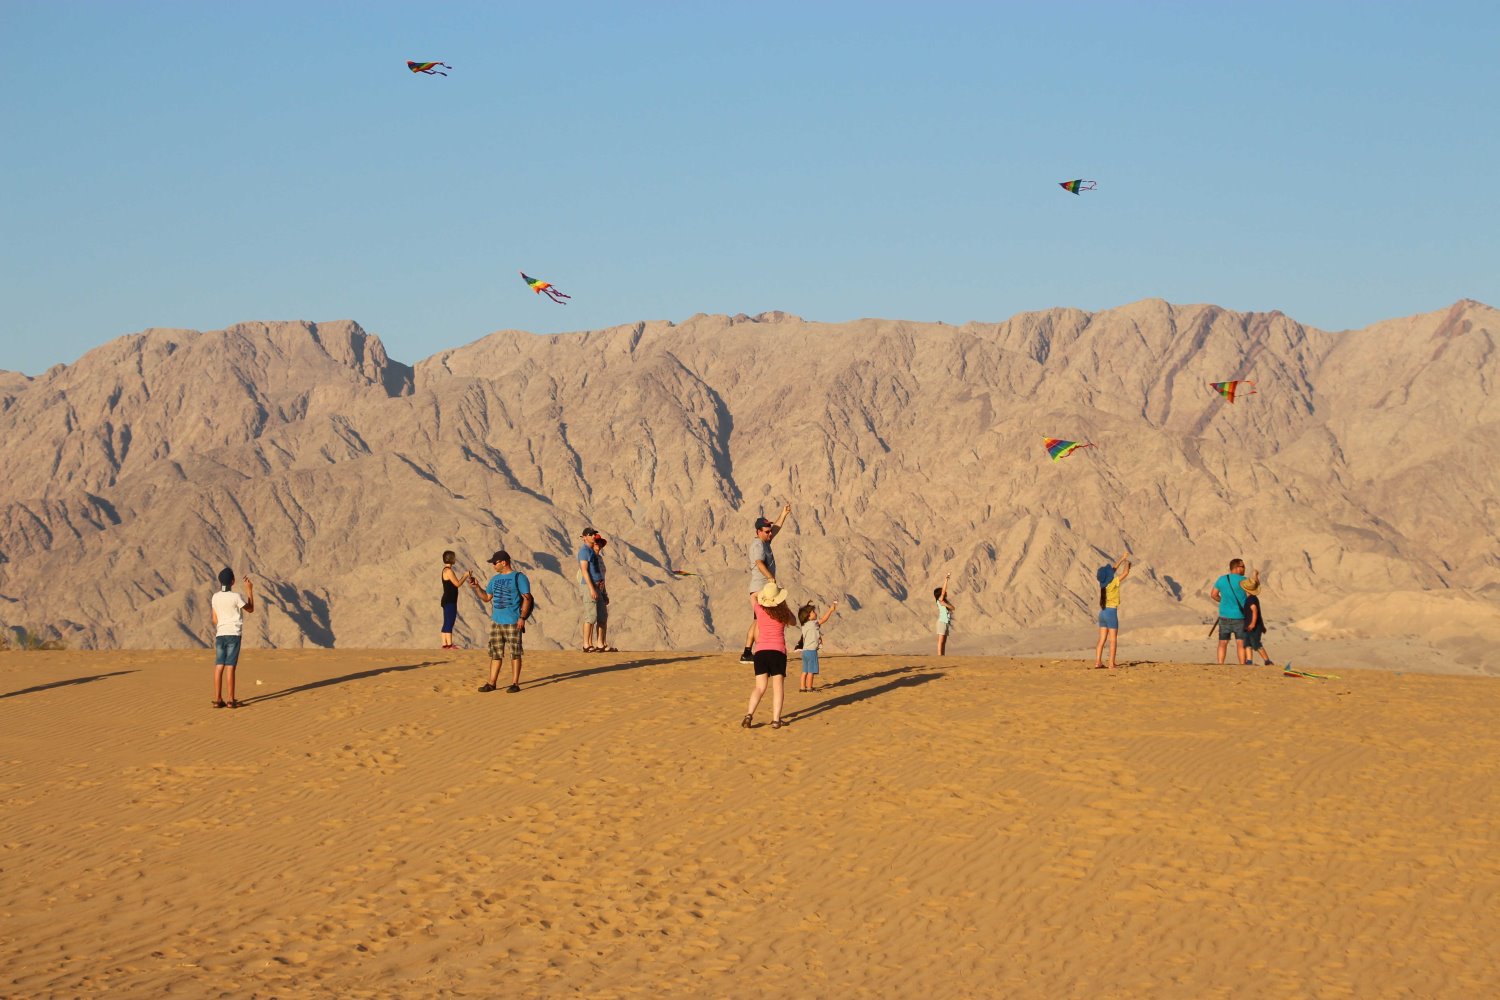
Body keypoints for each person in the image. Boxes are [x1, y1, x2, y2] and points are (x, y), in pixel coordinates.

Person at [469, 550, 534, 693]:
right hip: (496, 622)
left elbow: (527, 598)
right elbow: (486, 597)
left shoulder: (519, 577)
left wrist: (522, 618)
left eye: (495, 563)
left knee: (515, 653)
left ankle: (515, 683)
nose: (493, 565)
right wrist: (476, 587)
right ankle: (492, 683)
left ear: (504, 562)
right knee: (495, 653)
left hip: (513, 622)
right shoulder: (494, 579)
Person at [740, 503, 792, 664]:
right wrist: (770, 578)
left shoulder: (765, 541)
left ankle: (749, 652)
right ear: (758, 532)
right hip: (759, 589)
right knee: (760, 621)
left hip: (763, 589)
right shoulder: (757, 545)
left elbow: (775, 529)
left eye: (770, 531)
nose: (770, 534)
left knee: (758, 620)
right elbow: (759, 563)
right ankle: (749, 652)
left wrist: (783, 514)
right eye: (767, 531)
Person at [742, 581, 796, 730]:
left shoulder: (759, 609)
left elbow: (753, 596)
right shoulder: (783, 612)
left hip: (760, 652)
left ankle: (749, 715)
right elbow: (794, 621)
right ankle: (775, 720)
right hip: (777, 652)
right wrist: (782, 603)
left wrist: (765, 593)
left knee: (759, 687)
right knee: (777, 688)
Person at [210, 567, 255, 709]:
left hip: (220, 634)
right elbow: (250, 609)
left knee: (219, 666)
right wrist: (249, 590)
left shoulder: (215, 597)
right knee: (230, 667)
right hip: (233, 634)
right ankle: (230, 700)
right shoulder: (236, 597)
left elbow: (215, 619)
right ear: (233, 581)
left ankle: (218, 699)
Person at [1093, 552, 1131, 670]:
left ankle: (1098, 662)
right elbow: (1125, 573)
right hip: (1111, 613)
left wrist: (1122, 558)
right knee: (1113, 640)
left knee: (1102, 640)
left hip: (1102, 613)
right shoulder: (1113, 582)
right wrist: (1127, 563)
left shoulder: (1103, 584)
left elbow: (1113, 570)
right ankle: (1111, 664)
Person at [1210, 558, 1251, 665]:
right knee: (1240, 643)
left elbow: (1213, 595)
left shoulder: (1222, 579)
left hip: (1224, 616)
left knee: (1222, 642)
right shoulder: (1245, 581)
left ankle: (1220, 664)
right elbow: (1250, 598)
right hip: (1240, 617)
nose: (1244, 568)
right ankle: (1242, 665)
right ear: (1237, 568)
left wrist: (1223, 601)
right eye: (1243, 566)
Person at [796, 599, 838, 691]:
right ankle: (809, 687)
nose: (815, 613)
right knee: (811, 672)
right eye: (813, 612)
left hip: (805, 652)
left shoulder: (804, 625)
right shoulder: (813, 623)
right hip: (811, 652)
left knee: (804, 671)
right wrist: (830, 610)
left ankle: (802, 687)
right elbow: (823, 620)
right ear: (808, 616)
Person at [576, 527, 605, 651]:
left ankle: (599, 644)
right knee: (590, 616)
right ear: (584, 537)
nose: (593, 536)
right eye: (590, 534)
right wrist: (591, 589)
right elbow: (584, 571)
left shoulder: (592, 552)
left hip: (598, 586)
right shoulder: (584, 551)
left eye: (594, 534)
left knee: (601, 616)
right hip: (590, 586)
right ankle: (586, 644)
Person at [588, 534, 617, 652]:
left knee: (603, 616)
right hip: (593, 589)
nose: (598, 545)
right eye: (596, 543)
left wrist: (605, 593)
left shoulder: (600, 559)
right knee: (591, 616)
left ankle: (602, 642)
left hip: (601, 589)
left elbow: (602, 577)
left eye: (600, 543)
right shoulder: (590, 558)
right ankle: (589, 643)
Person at [440, 550, 471, 650]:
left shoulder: (445, 570)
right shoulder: (448, 571)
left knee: (446, 622)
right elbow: (457, 584)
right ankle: (449, 645)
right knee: (450, 622)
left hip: (447, 600)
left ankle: (445, 644)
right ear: (451, 559)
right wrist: (465, 575)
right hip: (450, 600)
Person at [1242, 574, 1274, 666]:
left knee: (1256, 644)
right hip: (1249, 626)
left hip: (1253, 627)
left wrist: (1252, 623)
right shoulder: (1251, 598)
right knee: (1247, 643)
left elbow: (1255, 611)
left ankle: (1267, 661)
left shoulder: (1251, 599)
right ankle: (1249, 661)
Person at [934, 573, 955, 655]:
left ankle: (942, 655)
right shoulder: (939, 600)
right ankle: (940, 656)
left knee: (944, 641)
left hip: (946, 622)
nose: (945, 592)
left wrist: (946, 604)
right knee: (941, 641)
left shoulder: (944, 602)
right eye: (943, 591)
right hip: (942, 622)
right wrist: (946, 579)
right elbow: (943, 592)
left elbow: (953, 608)